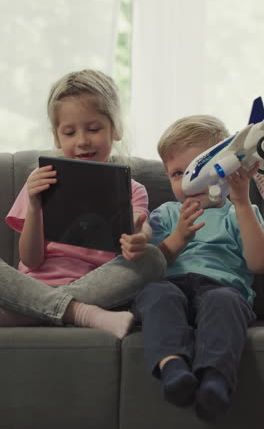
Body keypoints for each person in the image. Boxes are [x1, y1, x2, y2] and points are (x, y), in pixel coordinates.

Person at [0, 69, 166, 337]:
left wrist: (138, 238)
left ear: (116, 129)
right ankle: (78, 314)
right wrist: (34, 205)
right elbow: (30, 259)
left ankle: (34, 311)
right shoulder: (40, 182)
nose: (82, 141)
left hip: (94, 290)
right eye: (69, 132)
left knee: (154, 258)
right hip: (35, 286)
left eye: (94, 128)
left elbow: (140, 229)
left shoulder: (132, 189)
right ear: (57, 137)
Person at [131, 115, 264, 420]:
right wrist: (158, 236)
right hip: (171, 285)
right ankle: (173, 367)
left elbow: (258, 263)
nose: (189, 182)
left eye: (198, 170)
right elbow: (151, 261)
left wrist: (242, 203)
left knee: (224, 302)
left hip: (222, 288)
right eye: (177, 173)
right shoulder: (166, 213)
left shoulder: (240, 211)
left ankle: (216, 380)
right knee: (154, 293)